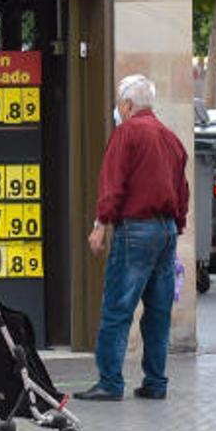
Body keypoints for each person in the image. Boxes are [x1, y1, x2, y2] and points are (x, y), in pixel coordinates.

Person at [76, 74, 189, 402]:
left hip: (136, 229)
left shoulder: (126, 133)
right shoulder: (170, 138)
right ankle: (155, 381)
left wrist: (100, 225)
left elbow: (112, 184)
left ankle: (110, 382)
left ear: (127, 104)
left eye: (118, 103)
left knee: (117, 308)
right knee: (158, 311)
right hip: (165, 230)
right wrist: (175, 226)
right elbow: (183, 191)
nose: (117, 109)